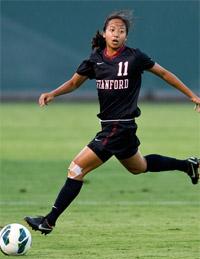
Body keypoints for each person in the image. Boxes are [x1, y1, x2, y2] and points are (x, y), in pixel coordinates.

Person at [24, 10, 200, 235]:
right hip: (111, 127)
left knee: (76, 169)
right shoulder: (95, 59)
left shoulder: (135, 57)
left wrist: (192, 95)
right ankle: (189, 165)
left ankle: (48, 221)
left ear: (126, 36)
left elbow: (164, 74)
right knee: (139, 167)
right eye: (112, 30)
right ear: (104, 33)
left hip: (120, 126)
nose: (116, 34)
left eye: (122, 31)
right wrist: (53, 93)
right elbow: (74, 82)